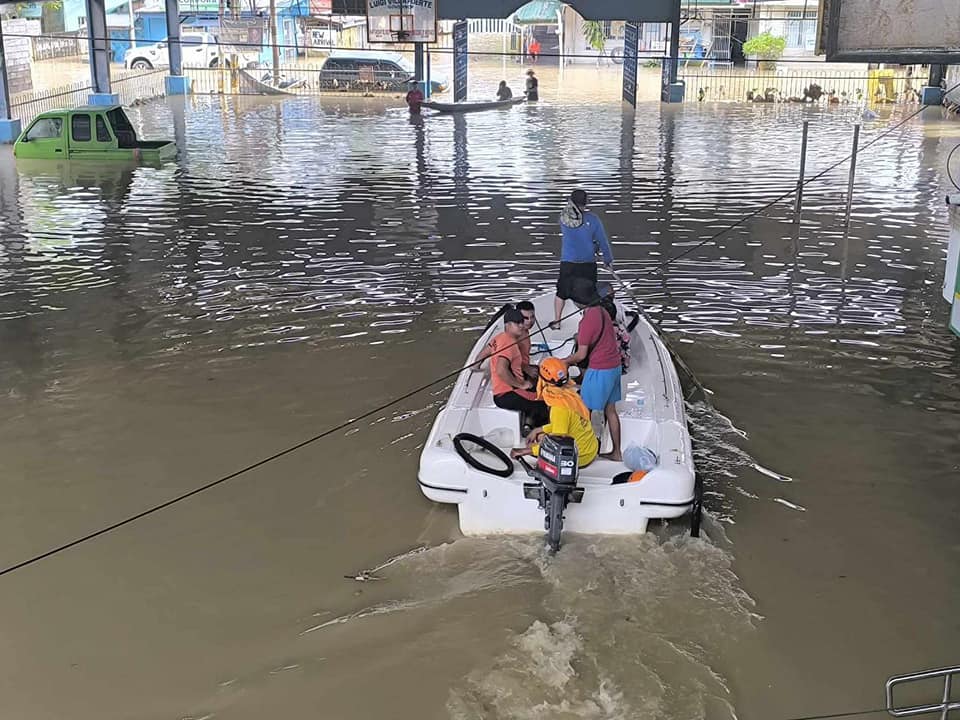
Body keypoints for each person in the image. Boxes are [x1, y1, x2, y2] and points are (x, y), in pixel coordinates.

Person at [561, 278, 622, 461]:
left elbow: (580, 355)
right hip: (614, 367)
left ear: (577, 301)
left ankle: (587, 452)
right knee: (610, 410)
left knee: (584, 411)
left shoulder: (587, 320)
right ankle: (616, 452)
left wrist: (563, 361)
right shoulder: (602, 311)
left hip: (600, 370)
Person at [510, 357, 599, 467]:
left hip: (580, 457)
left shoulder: (559, 408)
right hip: (590, 448)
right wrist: (538, 430)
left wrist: (524, 452)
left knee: (535, 444)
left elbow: (558, 441)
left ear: (542, 380)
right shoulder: (570, 395)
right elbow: (564, 424)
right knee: (540, 437)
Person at [552, 189, 613, 329]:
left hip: (568, 262)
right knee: (588, 294)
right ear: (586, 203)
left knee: (561, 292)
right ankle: (588, 324)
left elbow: (576, 236)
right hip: (588, 263)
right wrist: (607, 259)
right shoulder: (593, 219)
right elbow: (602, 241)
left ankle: (557, 321)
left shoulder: (563, 219)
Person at [488, 307, 549, 427]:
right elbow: (501, 370)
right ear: (507, 325)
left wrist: (476, 363)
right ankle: (537, 434)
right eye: (517, 323)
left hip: (506, 389)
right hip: (506, 393)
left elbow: (487, 350)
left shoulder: (500, 338)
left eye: (522, 322)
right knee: (544, 403)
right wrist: (521, 385)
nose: (521, 325)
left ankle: (529, 421)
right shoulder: (509, 342)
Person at [475, 301, 539, 380]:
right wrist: (476, 364)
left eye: (532, 317)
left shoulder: (524, 330)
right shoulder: (514, 336)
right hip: (516, 374)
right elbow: (494, 350)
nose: (530, 321)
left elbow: (492, 345)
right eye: (526, 318)